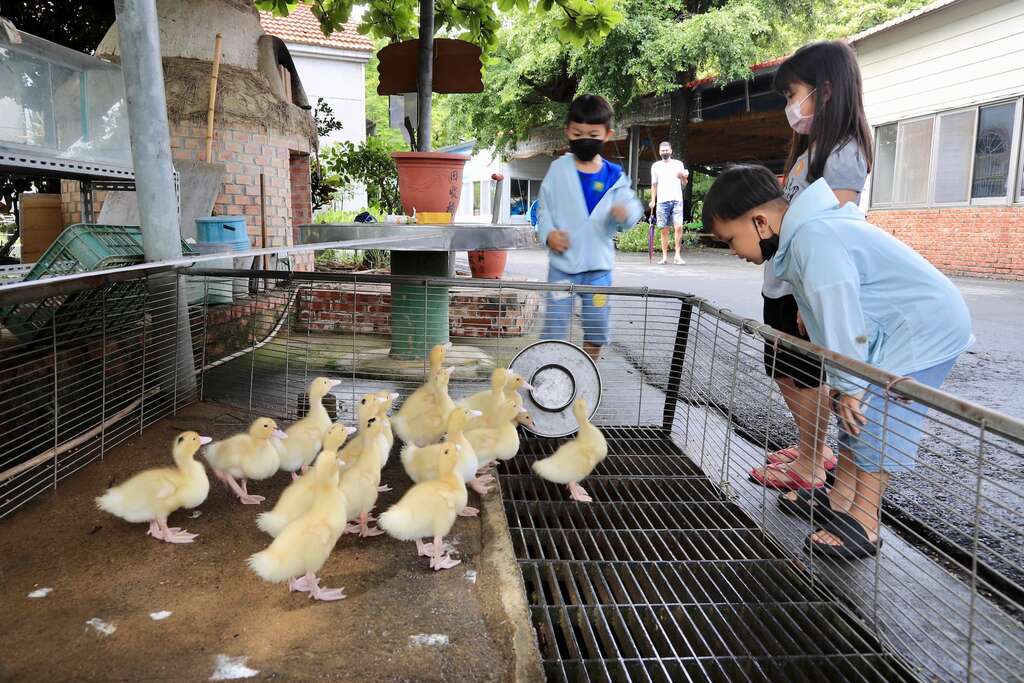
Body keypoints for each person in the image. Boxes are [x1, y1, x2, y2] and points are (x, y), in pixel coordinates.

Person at [703, 163, 974, 558]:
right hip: (891, 328)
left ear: (760, 222)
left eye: (731, 240)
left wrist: (850, 386)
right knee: (851, 408)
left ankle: (865, 521)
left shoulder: (814, 238)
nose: (732, 251)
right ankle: (842, 496)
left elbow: (842, 317)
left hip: (923, 329)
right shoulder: (804, 236)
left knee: (877, 415)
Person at [750, 41, 874, 502]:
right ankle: (812, 448)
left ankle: (810, 462)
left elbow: (832, 234)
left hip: (800, 288)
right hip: (784, 282)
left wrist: (809, 298)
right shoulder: (813, 148)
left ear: (825, 91)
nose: (789, 106)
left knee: (802, 374)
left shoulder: (843, 151)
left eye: (791, 94)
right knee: (785, 371)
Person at [535, 94, 644, 362]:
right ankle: (552, 374)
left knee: (596, 328)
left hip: (598, 269)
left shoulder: (614, 176)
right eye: (577, 133)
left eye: (592, 133)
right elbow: (543, 208)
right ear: (567, 132)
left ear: (607, 134)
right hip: (562, 268)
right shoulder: (558, 169)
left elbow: (633, 210)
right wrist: (548, 234)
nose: (584, 139)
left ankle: (586, 374)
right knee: (555, 325)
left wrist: (626, 212)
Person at [649, 141, 689, 265]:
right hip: (662, 201)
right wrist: (652, 200)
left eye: (667, 150)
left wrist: (682, 176)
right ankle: (665, 257)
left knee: (679, 227)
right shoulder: (656, 166)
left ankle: (677, 255)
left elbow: (684, 183)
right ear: (659, 152)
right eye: (662, 150)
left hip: (677, 199)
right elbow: (654, 185)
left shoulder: (678, 164)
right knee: (664, 230)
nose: (665, 152)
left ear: (671, 151)